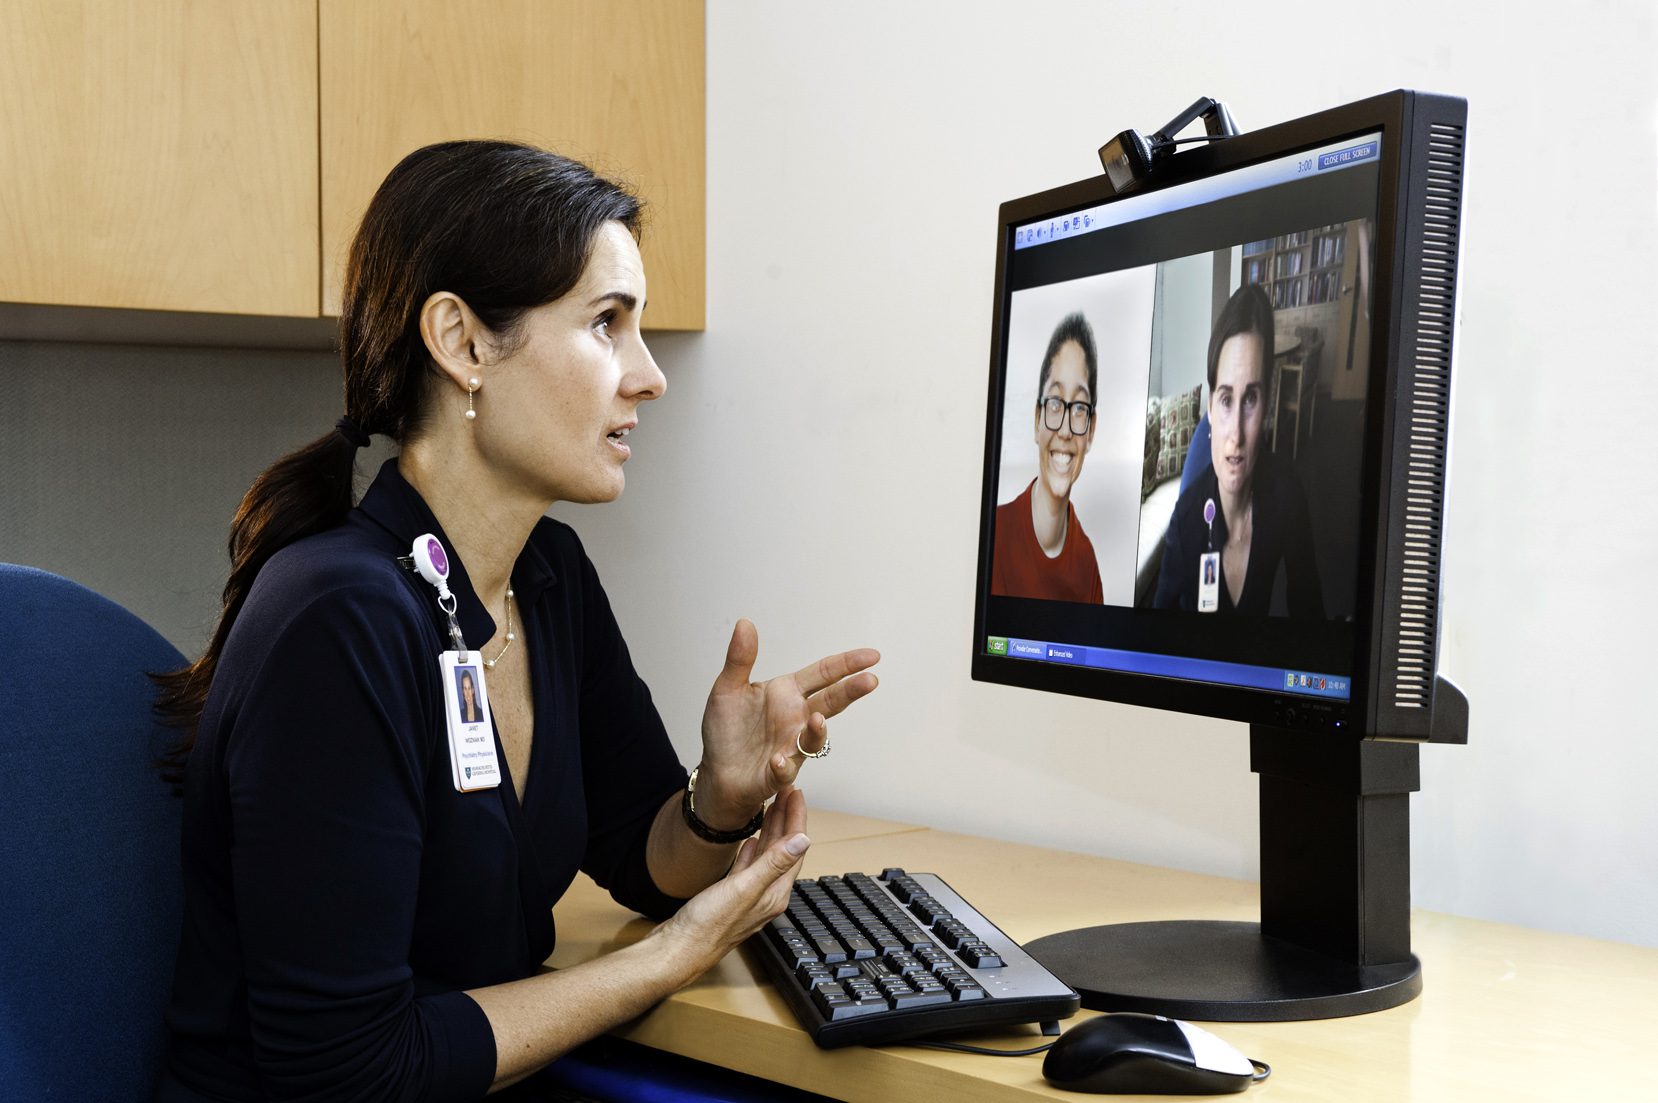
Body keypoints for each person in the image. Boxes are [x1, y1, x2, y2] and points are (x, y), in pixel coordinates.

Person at [152, 140, 879, 1102]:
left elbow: (641, 854)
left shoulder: (546, 576)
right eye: (606, 324)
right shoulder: (339, 621)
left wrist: (721, 799)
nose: (650, 375)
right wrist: (663, 962)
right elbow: (346, 1071)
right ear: (461, 344)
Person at [1151, 284, 1324, 617]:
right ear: (1211, 411)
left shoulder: (1287, 495)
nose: (1237, 436)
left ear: (1268, 405)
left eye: (1251, 399)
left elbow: (1310, 612)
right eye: (1227, 400)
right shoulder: (1186, 522)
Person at [990, 313, 1105, 603]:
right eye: (1055, 403)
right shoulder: (994, 535)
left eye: (1079, 408)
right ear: (1037, 419)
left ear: (1090, 431)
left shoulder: (1087, 564)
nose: (1065, 430)